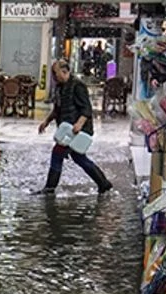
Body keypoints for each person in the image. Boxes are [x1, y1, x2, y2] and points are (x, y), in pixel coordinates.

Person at [34, 59, 112, 195]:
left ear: (65, 72)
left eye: (55, 73)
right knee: (79, 157)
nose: (53, 76)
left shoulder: (77, 86)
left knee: (58, 154)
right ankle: (103, 183)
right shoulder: (59, 87)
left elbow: (86, 109)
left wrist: (79, 124)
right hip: (67, 130)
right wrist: (46, 122)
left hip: (76, 130)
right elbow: (57, 109)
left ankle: (50, 187)